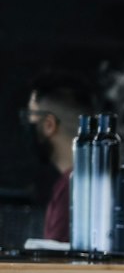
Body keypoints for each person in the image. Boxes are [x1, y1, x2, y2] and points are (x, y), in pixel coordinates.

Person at [21, 69, 95, 243]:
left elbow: (57, 268)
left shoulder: (72, 190)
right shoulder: (76, 183)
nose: (28, 126)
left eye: (31, 117)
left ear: (48, 125)